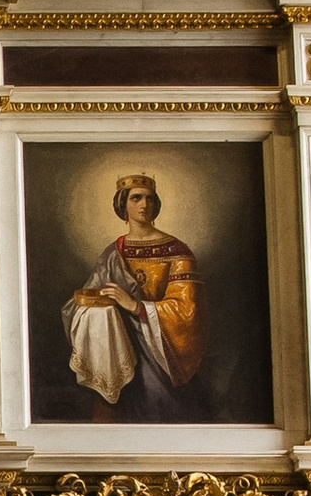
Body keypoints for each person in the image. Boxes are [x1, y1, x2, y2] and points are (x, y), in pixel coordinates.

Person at [62, 170, 206, 419]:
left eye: (150, 199)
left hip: (161, 353)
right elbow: (83, 300)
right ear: (122, 204)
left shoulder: (177, 251)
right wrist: (95, 311)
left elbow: (188, 310)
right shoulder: (112, 253)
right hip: (117, 348)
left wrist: (136, 306)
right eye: (136, 198)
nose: (144, 205)